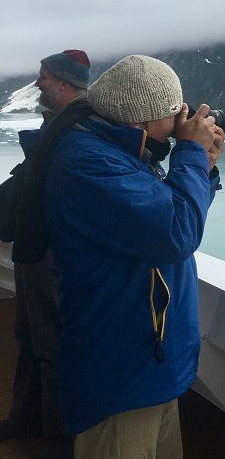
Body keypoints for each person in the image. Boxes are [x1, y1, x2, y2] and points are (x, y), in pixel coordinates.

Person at [35, 55, 225, 458]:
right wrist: (189, 153)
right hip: (123, 372)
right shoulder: (90, 163)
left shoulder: (120, 151)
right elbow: (176, 234)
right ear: (142, 119)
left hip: (149, 363)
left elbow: (169, 213)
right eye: (174, 114)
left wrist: (203, 168)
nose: (181, 122)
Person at [0, 50, 91, 458]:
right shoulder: (57, 122)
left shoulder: (82, 128)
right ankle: (26, 417)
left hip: (56, 253)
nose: (38, 83)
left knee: (53, 345)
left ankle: (59, 443)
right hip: (35, 247)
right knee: (28, 334)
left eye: (44, 76)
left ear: (66, 83)